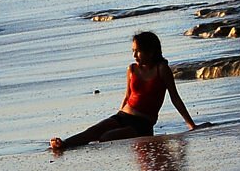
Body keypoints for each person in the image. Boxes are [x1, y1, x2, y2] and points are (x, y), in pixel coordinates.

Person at [50, 31, 200, 152]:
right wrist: (116, 119)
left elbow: (175, 98)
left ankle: (70, 144)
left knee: (106, 137)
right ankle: (64, 144)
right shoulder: (132, 69)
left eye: (138, 51)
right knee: (93, 130)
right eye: (133, 51)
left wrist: (191, 125)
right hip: (123, 116)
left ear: (150, 52)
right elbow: (128, 96)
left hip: (142, 124)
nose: (134, 55)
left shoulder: (161, 70)